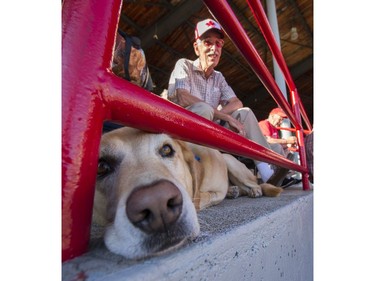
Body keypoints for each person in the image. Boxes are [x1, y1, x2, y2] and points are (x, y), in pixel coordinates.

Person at [167, 18, 290, 187]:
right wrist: (222, 115)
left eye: (218, 44)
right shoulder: (184, 65)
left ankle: (267, 172)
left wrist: (223, 116)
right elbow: (182, 96)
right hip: (186, 133)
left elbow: (237, 102)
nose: (214, 49)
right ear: (197, 48)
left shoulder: (218, 77)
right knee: (204, 109)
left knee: (244, 112)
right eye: (207, 42)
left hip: (212, 131)